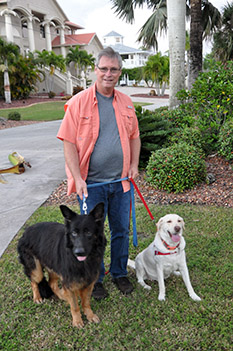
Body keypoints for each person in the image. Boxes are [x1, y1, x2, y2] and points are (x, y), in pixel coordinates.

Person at [57, 47, 141, 300]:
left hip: (121, 183)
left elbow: (135, 136)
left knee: (120, 230)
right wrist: (78, 178)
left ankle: (119, 273)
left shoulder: (126, 102)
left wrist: (134, 165)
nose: (108, 73)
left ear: (119, 72)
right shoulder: (78, 102)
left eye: (113, 69)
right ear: (95, 70)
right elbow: (68, 141)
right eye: (103, 68)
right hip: (91, 185)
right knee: (90, 234)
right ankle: (96, 278)